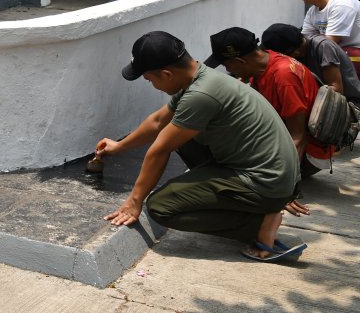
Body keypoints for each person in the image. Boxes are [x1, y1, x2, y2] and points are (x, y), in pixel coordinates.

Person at [97, 31, 305, 263]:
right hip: (269, 172)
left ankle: (258, 225)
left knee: (160, 206)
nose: (153, 85)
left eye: (150, 80)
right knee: (182, 138)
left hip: (265, 182)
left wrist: (134, 202)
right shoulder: (200, 78)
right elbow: (158, 121)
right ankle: (247, 205)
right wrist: (119, 147)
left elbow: (160, 149)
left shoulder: (201, 94)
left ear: (166, 73)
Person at [205, 27, 333, 178]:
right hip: (279, 135)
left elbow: (298, 136)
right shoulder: (265, 60)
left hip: (307, 153)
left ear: (241, 61)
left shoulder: (285, 77)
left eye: (227, 66)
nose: (229, 71)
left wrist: (289, 188)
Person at [260, 23, 360, 121]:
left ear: (296, 52)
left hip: (351, 108)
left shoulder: (323, 47)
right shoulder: (292, 49)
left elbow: (336, 90)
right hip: (320, 103)